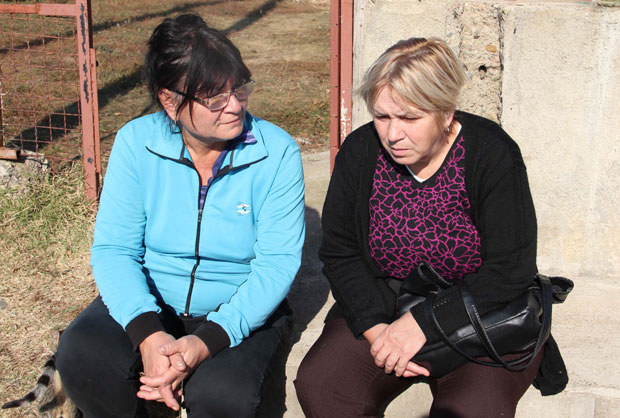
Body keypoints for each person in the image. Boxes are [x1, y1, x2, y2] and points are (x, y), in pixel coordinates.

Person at [294, 37, 566, 417]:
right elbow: (341, 252)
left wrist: (423, 324)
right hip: (385, 302)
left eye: (409, 118)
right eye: (382, 116)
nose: (393, 134)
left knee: (471, 409)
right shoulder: (360, 151)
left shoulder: (490, 153)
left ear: (446, 111)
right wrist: (378, 331)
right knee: (325, 387)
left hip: (477, 311)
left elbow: (510, 268)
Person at [55, 14, 305, 418]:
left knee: (223, 396)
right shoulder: (137, 143)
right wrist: (148, 333)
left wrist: (206, 341)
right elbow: (115, 250)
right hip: (154, 299)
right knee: (83, 355)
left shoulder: (276, 153)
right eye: (214, 98)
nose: (234, 106)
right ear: (170, 102)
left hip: (235, 310)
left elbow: (276, 265)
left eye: (239, 89)